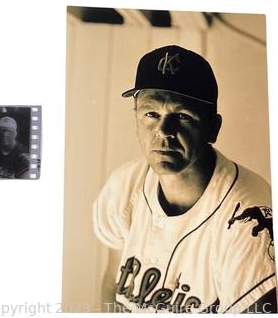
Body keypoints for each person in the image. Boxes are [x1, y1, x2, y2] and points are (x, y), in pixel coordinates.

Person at [93, 45, 277, 313]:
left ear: (213, 128)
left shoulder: (247, 217)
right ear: (136, 117)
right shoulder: (125, 184)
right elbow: (112, 281)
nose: (164, 131)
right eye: (151, 114)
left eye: (182, 116)